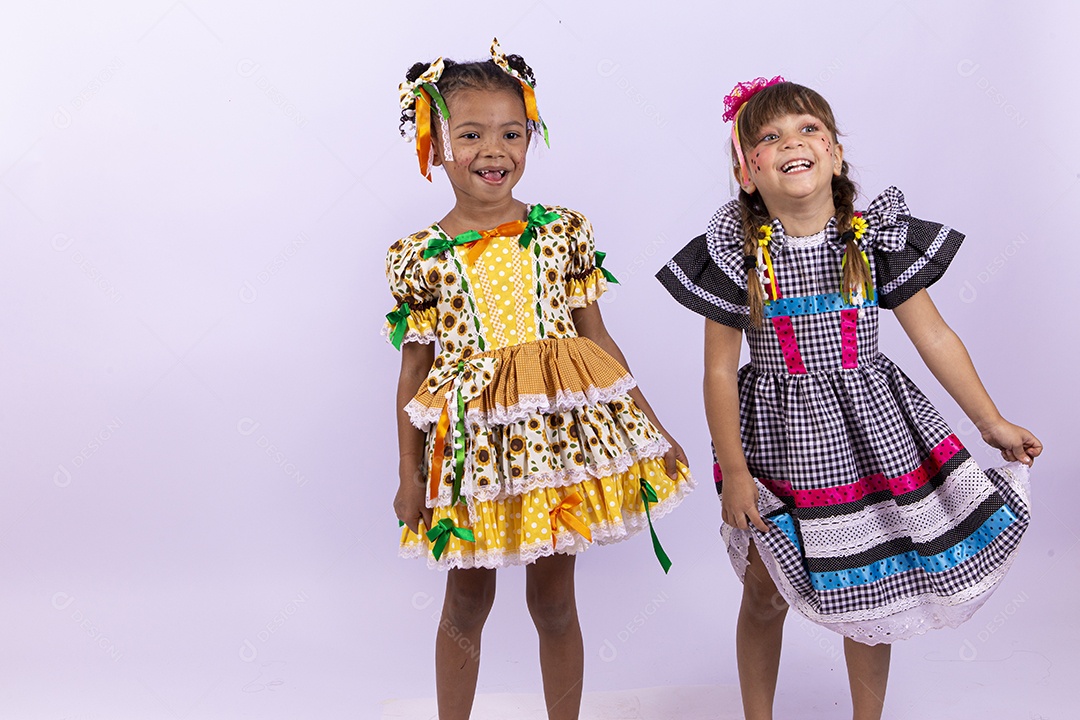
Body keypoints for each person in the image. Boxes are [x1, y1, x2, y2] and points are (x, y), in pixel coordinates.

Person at [656, 77, 1041, 720]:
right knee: (764, 592)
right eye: (770, 137)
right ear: (748, 172)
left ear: (835, 155)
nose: (792, 143)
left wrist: (990, 420)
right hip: (777, 443)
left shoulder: (872, 241)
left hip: (871, 437)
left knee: (876, 595)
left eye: (809, 130)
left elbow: (935, 336)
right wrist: (736, 471)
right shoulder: (736, 257)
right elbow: (719, 372)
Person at [385, 40, 694, 720]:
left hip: (556, 445)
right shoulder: (419, 256)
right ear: (435, 144)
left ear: (530, 137)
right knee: (466, 603)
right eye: (471, 134)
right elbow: (413, 375)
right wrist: (409, 474)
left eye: (511, 133)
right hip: (473, 454)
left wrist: (654, 427)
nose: (493, 150)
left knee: (554, 603)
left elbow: (598, 339)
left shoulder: (562, 232)